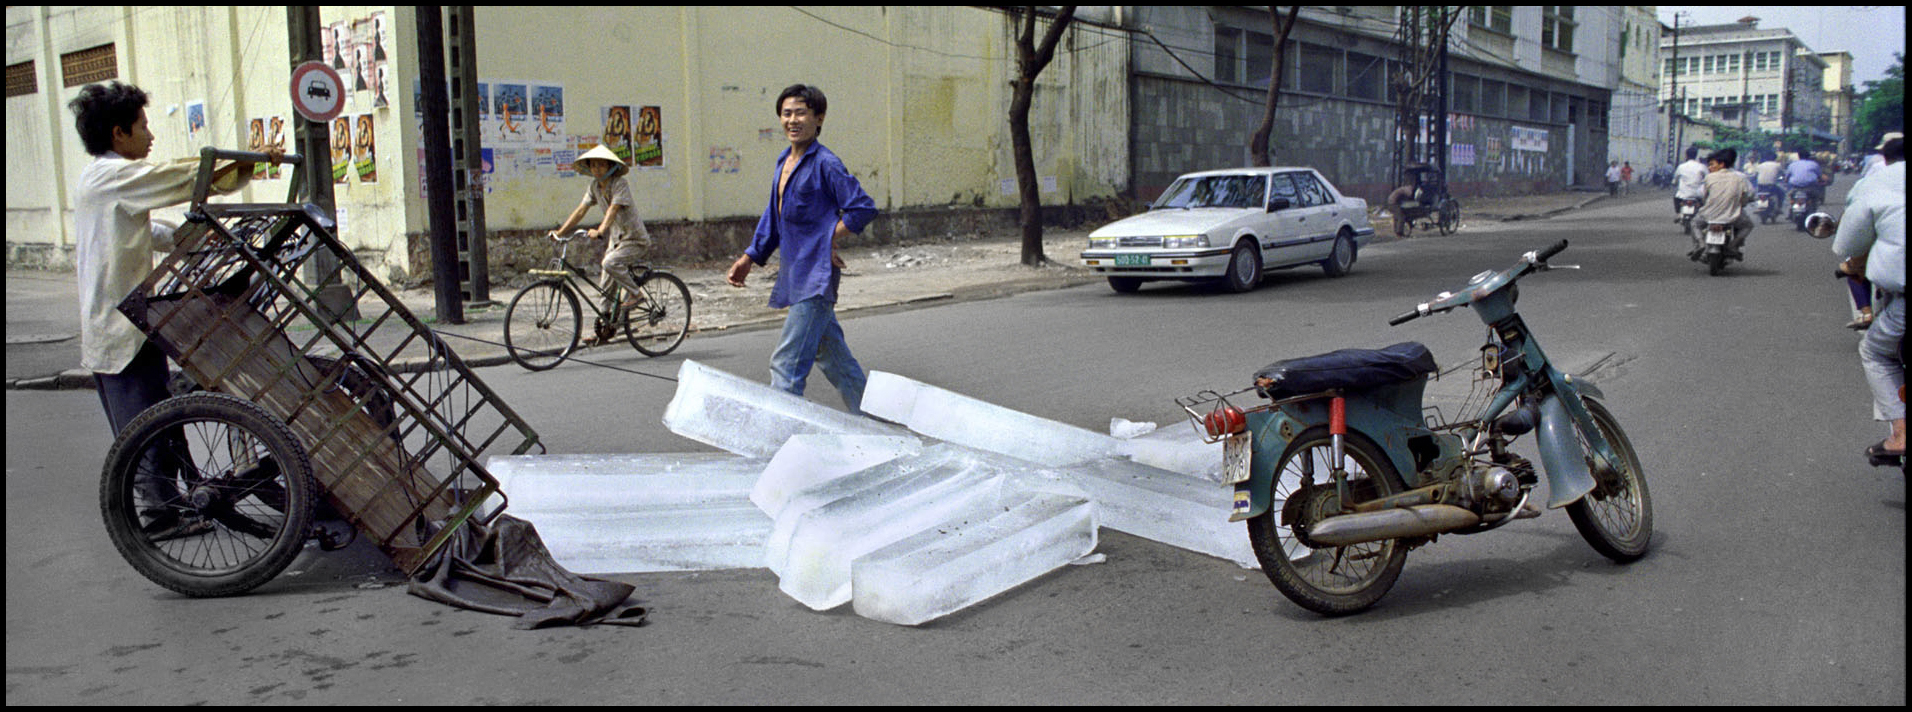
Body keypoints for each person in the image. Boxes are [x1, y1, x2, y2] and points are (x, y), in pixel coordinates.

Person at [70, 82, 278, 534]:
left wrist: (188, 237)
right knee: (143, 426)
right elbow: (175, 178)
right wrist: (248, 161)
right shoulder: (111, 176)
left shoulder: (107, 182)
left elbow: (142, 230)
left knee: (157, 417)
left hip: (133, 320)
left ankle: (171, 504)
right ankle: (158, 515)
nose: (150, 135)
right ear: (118, 132)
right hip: (118, 325)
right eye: (143, 126)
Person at [726, 84, 878, 413]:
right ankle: (876, 423)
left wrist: (827, 238)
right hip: (796, 272)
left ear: (818, 118)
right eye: (786, 113)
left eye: (800, 113)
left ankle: (780, 432)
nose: (792, 120)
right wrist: (750, 256)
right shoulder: (785, 161)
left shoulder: (826, 163)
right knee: (835, 359)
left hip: (816, 276)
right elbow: (774, 215)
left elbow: (862, 208)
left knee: (786, 365)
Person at [1830, 134, 1905, 463]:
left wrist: (1853, 263)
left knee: (1875, 351)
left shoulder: (1876, 182)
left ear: (1885, 158)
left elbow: (1848, 243)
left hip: (1900, 296)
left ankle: (1901, 434)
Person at [551, 145, 652, 325]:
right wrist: (560, 232)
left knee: (610, 263)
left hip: (634, 239)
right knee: (605, 282)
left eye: (601, 165)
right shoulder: (594, 187)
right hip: (616, 241)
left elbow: (614, 208)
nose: (597, 169)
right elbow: (581, 210)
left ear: (610, 166)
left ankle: (636, 294)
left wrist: (600, 230)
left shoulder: (620, 184)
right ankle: (605, 324)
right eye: (593, 165)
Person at [1696, 148, 1755, 258]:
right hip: (1733, 215)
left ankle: (1701, 245)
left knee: (1695, 224)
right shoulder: (1740, 177)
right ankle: (1733, 246)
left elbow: (1702, 194)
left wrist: (1706, 203)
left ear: (1721, 163)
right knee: (1747, 225)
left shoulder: (1710, 177)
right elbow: (1748, 195)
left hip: (1710, 214)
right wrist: (1741, 204)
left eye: (1712, 164)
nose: (1709, 167)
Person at [1673, 147, 1707, 221]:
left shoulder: (1681, 167)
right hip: (1698, 194)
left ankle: (1678, 213)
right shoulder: (1702, 167)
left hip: (1683, 195)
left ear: (1686, 155)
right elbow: (1707, 178)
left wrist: (1674, 183)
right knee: (1704, 202)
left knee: (1676, 197)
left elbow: (1675, 180)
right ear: (1696, 155)